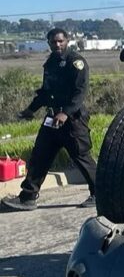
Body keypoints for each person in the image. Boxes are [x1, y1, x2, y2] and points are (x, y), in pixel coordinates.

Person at [2, 28, 97, 211]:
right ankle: (28, 197)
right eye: (53, 42)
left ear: (67, 40)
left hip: (72, 121)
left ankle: (98, 193)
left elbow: (80, 92)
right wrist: (30, 110)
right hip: (52, 119)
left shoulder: (75, 62)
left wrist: (66, 113)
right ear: (49, 43)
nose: (57, 45)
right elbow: (46, 92)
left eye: (60, 41)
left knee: (81, 156)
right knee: (40, 156)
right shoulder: (50, 63)